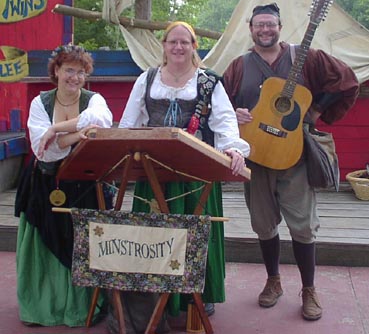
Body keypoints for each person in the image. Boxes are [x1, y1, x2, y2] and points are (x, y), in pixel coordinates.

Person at [223, 3, 359, 321]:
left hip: (293, 155)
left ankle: (309, 289)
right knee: (262, 223)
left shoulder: (306, 56)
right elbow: (220, 104)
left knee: (303, 225)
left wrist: (316, 110)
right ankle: (273, 281)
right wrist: (234, 112)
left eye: (271, 24)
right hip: (255, 157)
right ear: (250, 28)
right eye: (259, 25)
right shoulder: (239, 65)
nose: (265, 30)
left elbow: (346, 81)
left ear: (280, 26)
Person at [114, 21, 250, 333]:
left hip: (196, 173)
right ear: (163, 46)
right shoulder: (146, 80)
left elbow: (225, 122)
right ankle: (152, 297)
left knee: (196, 234)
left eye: (184, 42)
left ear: (193, 47)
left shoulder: (209, 82)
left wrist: (233, 149)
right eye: (172, 42)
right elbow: (128, 122)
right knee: (154, 236)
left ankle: (197, 294)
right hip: (153, 171)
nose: (178, 47)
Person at [14, 44, 113, 326]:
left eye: (81, 72)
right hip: (45, 185)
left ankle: (80, 308)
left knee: (80, 246)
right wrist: (78, 135)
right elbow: (42, 149)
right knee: (44, 243)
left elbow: (100, 122)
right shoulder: (40, 103)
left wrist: (56, 129)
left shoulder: (94, 100)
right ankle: (41, 307)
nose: (75, 77)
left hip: (82, 185)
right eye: (69, 70)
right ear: (56, 71)